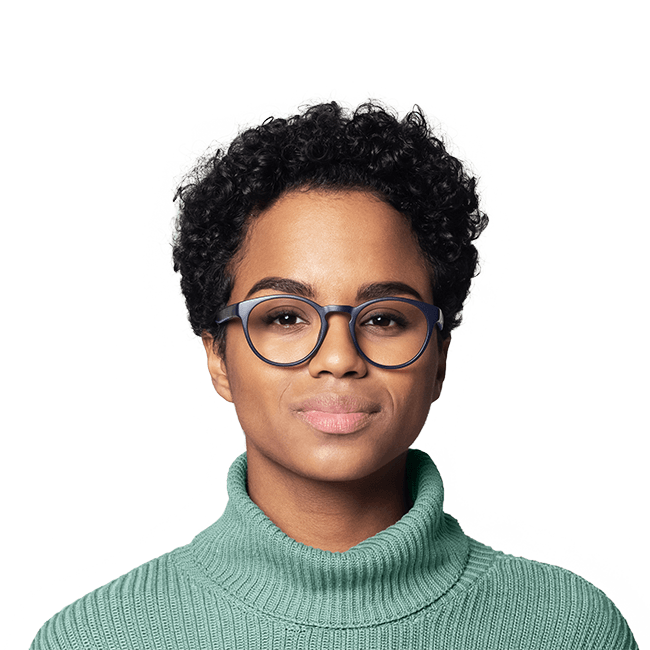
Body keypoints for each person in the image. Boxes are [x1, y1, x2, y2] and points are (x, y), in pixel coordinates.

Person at [30, 97, 639, 649]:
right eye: (287, 316)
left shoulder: (571, 630)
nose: (340, 356)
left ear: (440, 359)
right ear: (217, 356)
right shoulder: (95, 638)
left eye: (387, 319)